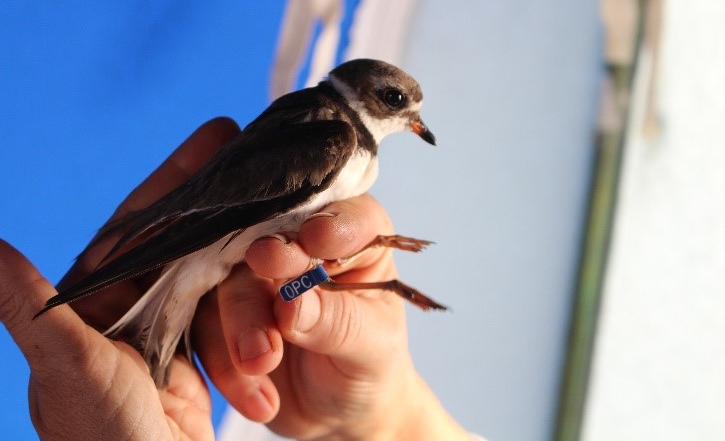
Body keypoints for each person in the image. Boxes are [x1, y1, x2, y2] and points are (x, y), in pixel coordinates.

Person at [0, 118, 473, 440]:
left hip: (232, 254)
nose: (414, 122)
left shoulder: (356, 159)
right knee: (300, 264)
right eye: (396, 103)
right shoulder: (332, 135)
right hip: (214, 242)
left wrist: (385, 421)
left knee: (299, 265)